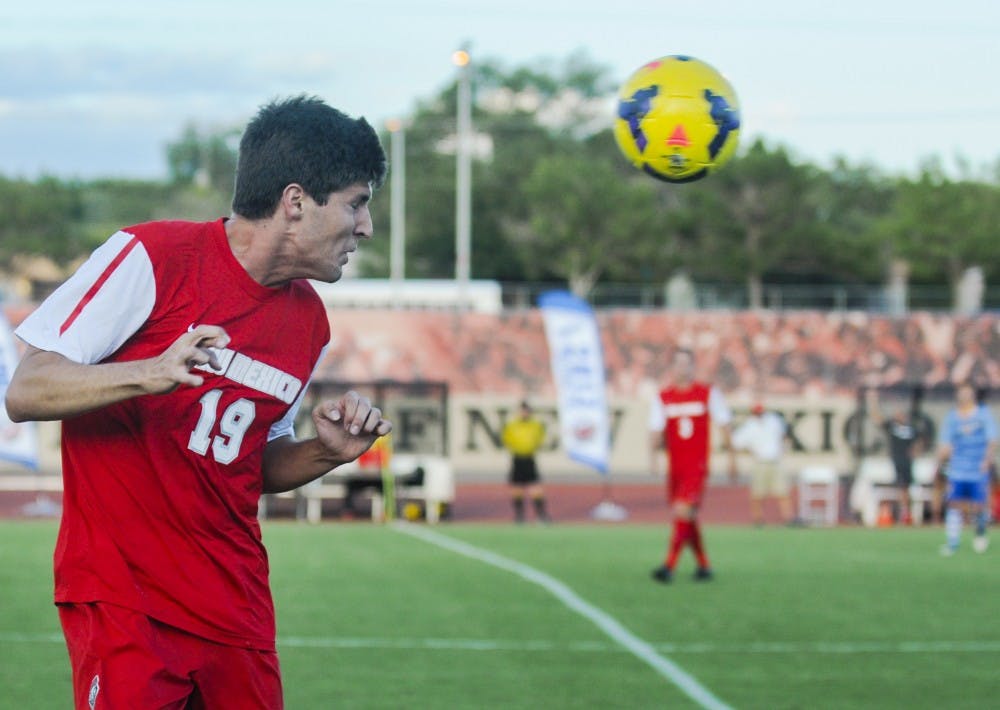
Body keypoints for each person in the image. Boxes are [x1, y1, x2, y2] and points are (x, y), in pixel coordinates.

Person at [4, 95, 392, 709]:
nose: (366, 226)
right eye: (357, 202)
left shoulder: (309, 323)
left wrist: (325, 452)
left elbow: (249, 464)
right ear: (295, 201)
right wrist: (150, 372)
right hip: (125, 598)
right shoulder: (151, 256)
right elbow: (27, 389)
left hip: (236, 609)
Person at [649, 350, 736, 583]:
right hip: (675, 465)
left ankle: (669, 566)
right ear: (672, 367)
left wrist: (732, 458)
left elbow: (724, 424)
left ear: (692, 366)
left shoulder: (707, 394)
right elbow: (655, 429)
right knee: (687, 517)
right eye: (677, 363)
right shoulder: (663, 397)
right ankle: (704, 565)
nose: (682, 368)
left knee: (683, 511)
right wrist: (653, 457)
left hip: (696, 465)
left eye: (686, 363)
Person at [935, 382, 997, 556]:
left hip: (978, 468)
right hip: (958, 468)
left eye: (967, 393)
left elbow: (992, 440)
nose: (964, 396)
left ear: (973, 395)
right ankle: (952, 543)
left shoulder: (983, 415)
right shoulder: (952, 417)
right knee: (954, 504)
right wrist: (941, 458)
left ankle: (979, 533)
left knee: (978, 506)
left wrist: (987, 459)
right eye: (961, 393)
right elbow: (945, 443)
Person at [731, 402, 797, 526]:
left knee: (783, 491)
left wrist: (783, 447)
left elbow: (783, 436)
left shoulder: (773, 421)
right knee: (758, 493)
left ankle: (789, 517)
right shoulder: (749, 426)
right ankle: (758, 519)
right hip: (760, 462)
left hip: (775, 460)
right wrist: (750, 452)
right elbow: (736, 443)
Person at [866, 388, 925, 524]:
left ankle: (906, 513)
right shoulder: (892, 426)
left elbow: (920, 441)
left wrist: (916, 450)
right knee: (901, 486)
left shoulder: (911, 428)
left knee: (907, 487)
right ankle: (903, 513)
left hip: (908, 461)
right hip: (896, 460)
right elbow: (877, 418)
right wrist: (872, 401)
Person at [501, 400, 550, 523]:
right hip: (517, 458)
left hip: (529, 458)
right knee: (517, 488)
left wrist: (531, 447)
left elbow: (540, 438)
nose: (524, 413)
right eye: (522, 411)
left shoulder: (535, 425)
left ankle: (541, 515)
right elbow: (507, 439)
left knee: (535, 488)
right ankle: (519, 515)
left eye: (526, 411)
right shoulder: (512, 425)